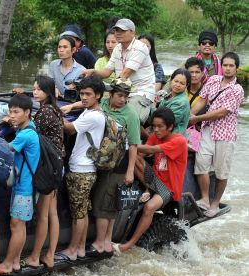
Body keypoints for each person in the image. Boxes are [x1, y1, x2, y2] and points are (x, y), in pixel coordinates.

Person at [116, 107, 188, 253]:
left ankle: (129, 244)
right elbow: (140, 154)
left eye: (160, 126)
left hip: (168, 187)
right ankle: (149, 189)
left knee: (149, 208)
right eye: (153, 126)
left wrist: (130, 145)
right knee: (134, 157)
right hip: (153, 179)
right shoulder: (156, 135)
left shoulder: (179, 141)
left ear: (170, 127)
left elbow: (152, 150)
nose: (155, 130)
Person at [54, 76, 106, 262]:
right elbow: (80, 107)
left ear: (98, 96)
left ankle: (73, 249)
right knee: (82, 211)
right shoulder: (91, 111)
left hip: (82, 169)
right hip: (84, 168)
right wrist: (71, 106)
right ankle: (81, 249)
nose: (83, 97)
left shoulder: (92, 116)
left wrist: (49, 114)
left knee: (79, 213)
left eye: (87, 94)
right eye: (81, 93)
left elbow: (68, 128)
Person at [189, 52, 244, 218]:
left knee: (221, 171)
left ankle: (215, 203)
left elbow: (221, 113)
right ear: (222, 66)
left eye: (231, 66)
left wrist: (197, 118)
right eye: (225, 65)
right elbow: (202, 100)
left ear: (236, 68)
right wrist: (189, 115)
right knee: (201, 162)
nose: (227, 69)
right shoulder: (212, 80)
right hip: (207, 130)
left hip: (225, 134)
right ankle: (205, 198)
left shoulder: (237, 89)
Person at [89, 78, 140, 254]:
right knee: (110, 204)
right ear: (110, 95)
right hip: (102, 161)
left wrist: (130, 171)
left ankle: (100, 241)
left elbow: (134, 145)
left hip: (119, 164)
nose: (123, 99)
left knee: (105, 204)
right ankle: (107, 241)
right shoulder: (102, 103)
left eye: (126, 96)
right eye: (119, 95)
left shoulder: (131, 115)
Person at [21, 76, 65, 269]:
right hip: (56, 165)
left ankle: (36, 256)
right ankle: (49, 255)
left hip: (48, 167)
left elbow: (30, 134)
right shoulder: (54, 109)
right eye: (33, 89)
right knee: (51, 214)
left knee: (44, 215)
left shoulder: (45, 112)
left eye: (38, 89)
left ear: (47, 91)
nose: (34, 92)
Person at [83, 18, 155, 126]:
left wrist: (106, 87)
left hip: (140, 91)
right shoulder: (117, 49)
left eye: (123, 30)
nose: (118, 33)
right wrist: (93, 72)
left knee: (127, 119)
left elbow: (125, 74)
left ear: (133, 33)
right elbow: (107, 72)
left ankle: (137, 139)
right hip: (123, 89)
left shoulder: (140, 47)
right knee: (99, 114)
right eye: (117, 30)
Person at [0, 94, 40, 275]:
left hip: (25, 188)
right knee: (19, 225)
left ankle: (7, 264)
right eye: (10, 112)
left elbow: (4, 149)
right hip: (25, 186)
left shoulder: (26, 135)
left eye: (16, 112)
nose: (12, 115)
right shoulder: (30, 128)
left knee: (16, 225)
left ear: (28, 112)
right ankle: (15, 262)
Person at [157, 68, 191, 136]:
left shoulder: (181, 102)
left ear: (186, 86)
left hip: (173, 137)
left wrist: (153, 106)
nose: (177, 85)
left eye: (182, 83)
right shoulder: (170, 95)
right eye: (176, 81)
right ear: (171, 80)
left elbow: (169, 122)